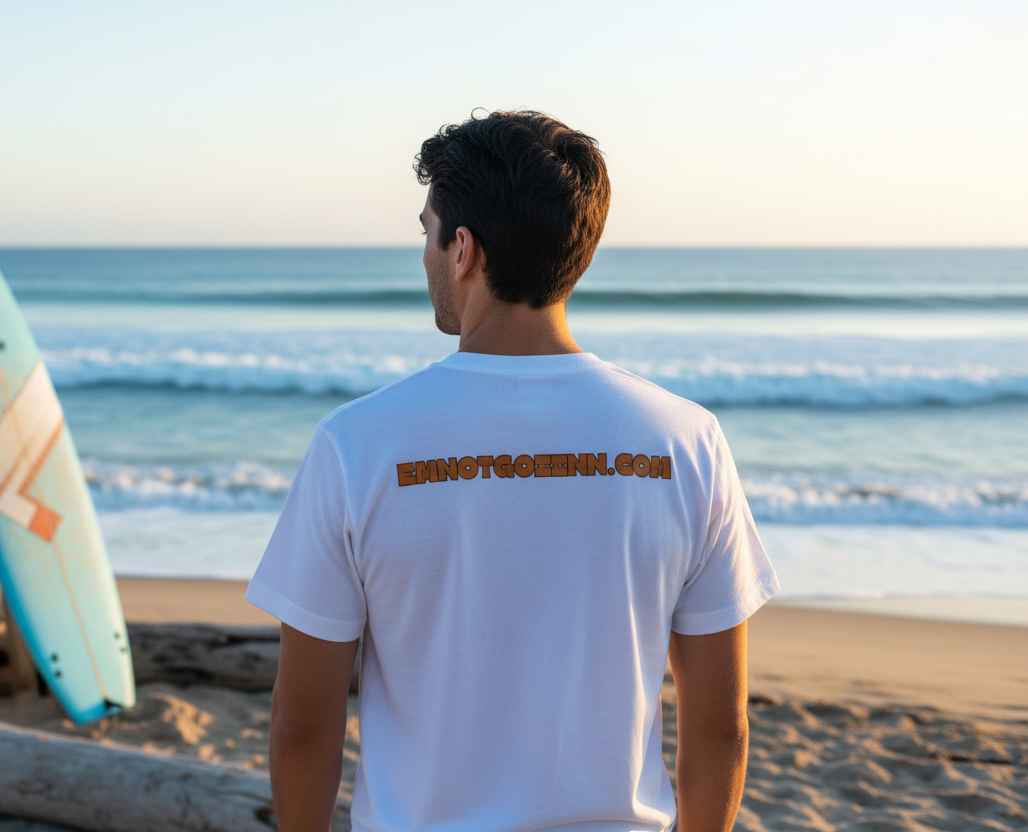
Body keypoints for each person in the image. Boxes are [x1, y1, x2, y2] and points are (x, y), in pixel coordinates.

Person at [246, 110, 778, 832]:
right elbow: (721, 727)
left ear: (462, 248)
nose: (426, 255)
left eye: (427, 231)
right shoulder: (685, 441)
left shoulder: (358, 445)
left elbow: (304, 724)